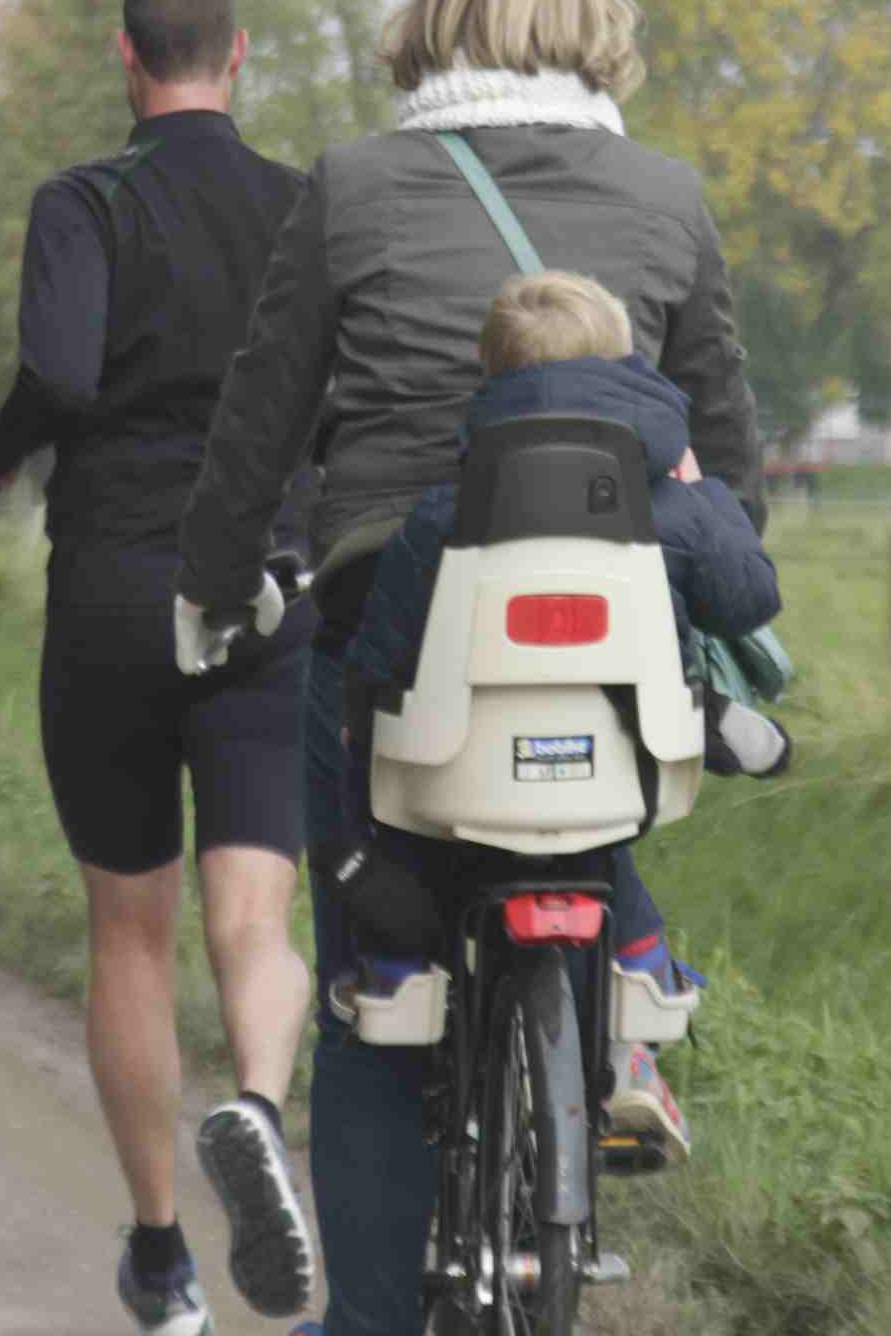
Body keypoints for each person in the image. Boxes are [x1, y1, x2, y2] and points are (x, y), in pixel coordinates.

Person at [173, 0, 765, 1336]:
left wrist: (215, 585)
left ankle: (372, 1317)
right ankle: (618, 1019)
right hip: (611, 638)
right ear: (592, 28)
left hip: (402, 625)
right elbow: (731, 449)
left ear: (428, 27)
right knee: (600, 821)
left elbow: (260, 423)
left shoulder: (356, 188)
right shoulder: (667, 197)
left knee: (376, 998)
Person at [0, 0, 317, 1335]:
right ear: (238, 56)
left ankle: (165, 1261)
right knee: (255, 916)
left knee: (129, 931)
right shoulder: (303, 207)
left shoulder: (84, 202)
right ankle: (259, 1107)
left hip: (117, 590)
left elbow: (58, 376)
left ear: (126, 60)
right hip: (262, 589)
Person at [337, 269, 793, 1134]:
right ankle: (640, 996)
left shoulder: (439, 517)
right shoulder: (675, 505)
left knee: (408, 825)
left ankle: (399, 965)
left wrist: (360, 736)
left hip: (469, 774)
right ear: (624, 370)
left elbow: (381, 661)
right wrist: (708, 497)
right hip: (622, 763)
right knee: (601, 842)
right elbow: (749, 602)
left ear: (492, 382)